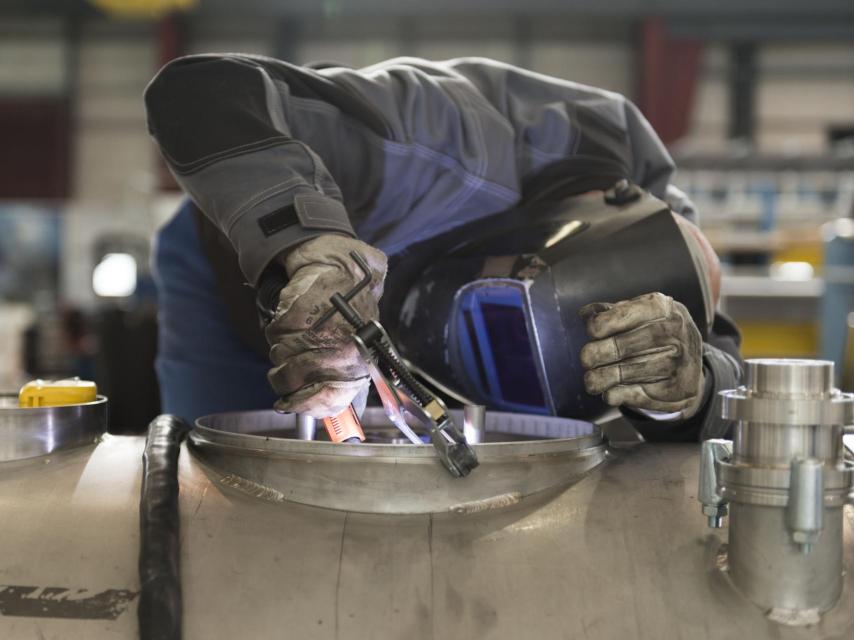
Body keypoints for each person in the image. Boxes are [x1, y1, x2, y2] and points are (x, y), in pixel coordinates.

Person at [144, 54, 742, 439]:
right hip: (226, 250)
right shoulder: (437, 146)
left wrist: (686, 392)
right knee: (222, 475)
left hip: (393, 327)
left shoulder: (665, 262)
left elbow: (724, 382)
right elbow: (199, 93)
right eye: (495, 325)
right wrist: (311, 248)